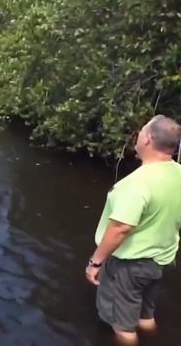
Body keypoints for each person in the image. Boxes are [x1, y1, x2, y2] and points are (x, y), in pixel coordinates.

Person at [85, 115, 181, 346]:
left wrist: (95, 262)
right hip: (160, 259)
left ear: (147, 139)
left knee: (123, 326)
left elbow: (120, 228)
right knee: (145, 315)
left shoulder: (136, 184)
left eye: (140, 132)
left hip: (130, 265)